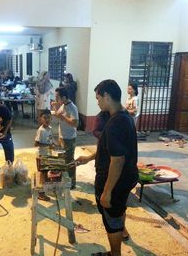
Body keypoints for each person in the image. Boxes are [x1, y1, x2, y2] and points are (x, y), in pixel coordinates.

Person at [76, 79, 138, 256]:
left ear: (107, 96)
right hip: (126, 178)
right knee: (118, 213)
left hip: (116, 181)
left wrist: (107, 191)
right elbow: (110, 150)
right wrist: (89, 158)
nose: (97, 102)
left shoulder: (114, 124)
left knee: (112, 220)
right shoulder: (124, 117)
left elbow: (117, 160)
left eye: (98, 98)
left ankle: (115, 254)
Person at [52, 87, 79, 189]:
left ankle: (72, 183)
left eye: (57, 97)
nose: (56, 99)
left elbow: (75, 123)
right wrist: (55, 108)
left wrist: (63, 117)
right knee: (62, 159)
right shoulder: (63, 105)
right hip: (62, 136)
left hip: (69, 138)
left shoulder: (72, 107)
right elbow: (59, 116)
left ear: (63, 97)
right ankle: (65, 179)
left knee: (69, 161)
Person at [34, 109, 55, 201]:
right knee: (43, 175)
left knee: (46, 173)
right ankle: (41, 193)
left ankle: (44, 188)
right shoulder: (41, 130)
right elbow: (36, 144)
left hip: (47, 154)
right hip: (42, 156)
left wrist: (54, 144)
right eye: (44, 118)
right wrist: (48, 145)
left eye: (49, 117)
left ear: (51, 118)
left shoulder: (49, 128)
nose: (47, 119)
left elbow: (50, 139)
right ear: (40, 119)